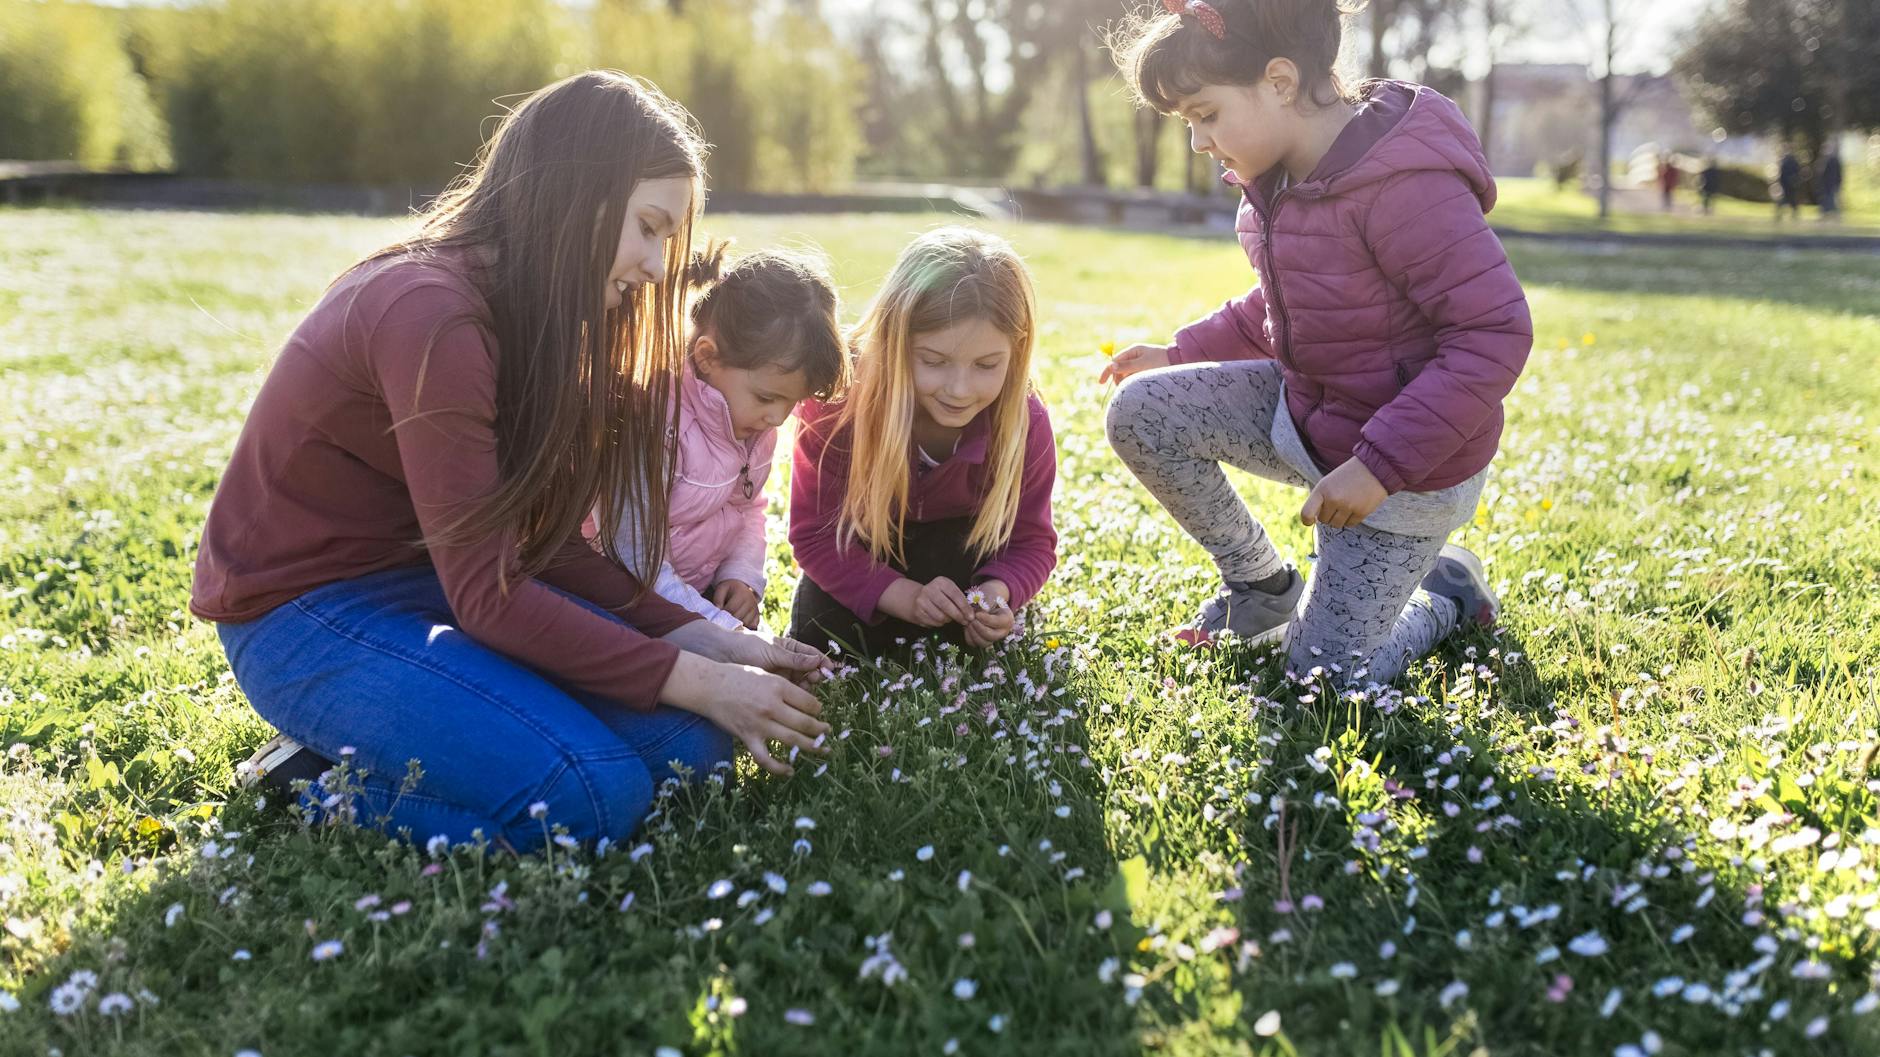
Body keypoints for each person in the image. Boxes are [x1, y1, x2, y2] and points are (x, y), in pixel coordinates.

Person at [191, 72, 833, 853]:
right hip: (305, 611)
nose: (661, 267)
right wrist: (702, 677)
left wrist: (719, 643)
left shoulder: (552, 314)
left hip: (435, 582)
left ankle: (435, 735)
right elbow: (491, 597)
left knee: (695, 750)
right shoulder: (429, 312)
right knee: (590, 800)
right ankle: (315, 782)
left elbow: (545, 546)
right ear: (576, 196)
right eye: (649, 227)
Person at [1100, 0, 1531, 687]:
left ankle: (1445, 597)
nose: (1198, 143)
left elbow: (1492, 332)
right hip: (1307, 417)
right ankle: (1262, 587)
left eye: (1205, 115)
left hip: (1403, 473)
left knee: (1322, 682)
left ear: (1279, 81)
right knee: (1139, 411)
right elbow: (1281, 306)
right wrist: (1179, 352)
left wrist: (1379, 465)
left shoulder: (1403, 185)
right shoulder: (1272, 181)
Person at [787, 227, 1059, 659]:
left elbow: (1030, 541)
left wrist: (996, 594)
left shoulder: (1023, 422)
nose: (959, 389)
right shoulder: (839, 405)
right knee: (823, 645)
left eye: (987, 365)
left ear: (1017, 350)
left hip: (960, 579)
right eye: (933, 361)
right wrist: (906, 597)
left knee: (976, 650)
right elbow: (816, 537)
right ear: (894, 340)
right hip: (860, 566)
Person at [596, 243, 847, 632]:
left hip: (696, 601)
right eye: (767, 397)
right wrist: (718, 627)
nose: (778, 418)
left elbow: (748, 506)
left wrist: (741, 576)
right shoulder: (654, 424)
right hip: (623, 606)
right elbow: (632, 556)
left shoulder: (751, 421)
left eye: (791, 403)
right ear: (707, 357)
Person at [1818, 142, 1843, 220]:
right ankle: (1826, 214)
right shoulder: (1825, 160)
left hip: (1832, 183)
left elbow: (1838, 173)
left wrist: (1838, 182)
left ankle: (1834, 215)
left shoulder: (1833, 160)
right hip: (1826, 184)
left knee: (1831, 199)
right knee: (1827, 199)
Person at [1775, 150, 1802, 221]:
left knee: (1786, 201)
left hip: (1787, 186)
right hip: (1790, 186)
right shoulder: (1793, 162)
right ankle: (1793, 214)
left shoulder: (1785, 163)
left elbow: (1781, 175)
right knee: (1790, 201)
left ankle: (1781, 215)